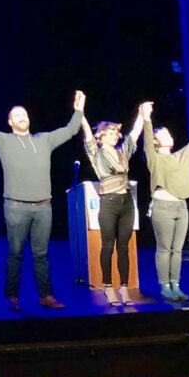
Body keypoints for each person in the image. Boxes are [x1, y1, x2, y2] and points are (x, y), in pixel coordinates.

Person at [0, 91, 85, 310]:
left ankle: (46, 295)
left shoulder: (44, 140)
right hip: (15, 207)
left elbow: (70, 130)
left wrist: (78, 109)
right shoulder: (4, 140)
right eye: (17, 115)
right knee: (16, 254)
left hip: (43, 207)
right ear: (11, 122)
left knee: (41, 254)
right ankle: (12, 296)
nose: (23, 116)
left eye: (25, 114)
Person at [141, 101, 189, 302]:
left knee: (177, 250)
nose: (169, 135)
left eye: (169, 133)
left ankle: (176, 285)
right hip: (162, 207)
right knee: (164, 248)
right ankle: (165, 285)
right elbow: (147, 141)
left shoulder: (181, 156)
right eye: (163, 134)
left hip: (181, 207)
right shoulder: (154, 158)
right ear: (156, 141)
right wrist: (146, 118)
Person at [80, 110, 143, 306]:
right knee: (108, 245)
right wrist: (81, 114)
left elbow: (134, 134)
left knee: (123, 247)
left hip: (127, 203)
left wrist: (141, 114)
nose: (115, 134)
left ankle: (124, 288)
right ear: (101, 136)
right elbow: (88, 136)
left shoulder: (122, 152)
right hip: (108, 202)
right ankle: (108, 287)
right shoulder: (96, 153)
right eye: (110, 132)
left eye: (116, 132)